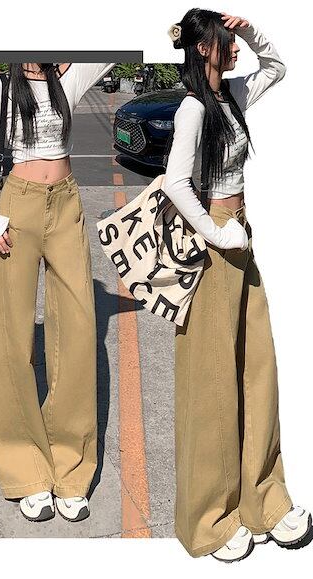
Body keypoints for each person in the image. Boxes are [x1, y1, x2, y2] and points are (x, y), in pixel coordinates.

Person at [164, 9, 312, 562]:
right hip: (214, 246)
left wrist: (249, 29)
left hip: (240, 239)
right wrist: (216, 232)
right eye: (226, 41)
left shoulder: (232, 96)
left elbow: (278, 66)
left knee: (257, 370)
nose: (235, 48)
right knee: (211, 384)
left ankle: (263, 502)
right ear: (203, 48)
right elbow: (176, 183)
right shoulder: (191, 109)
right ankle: (210, 520)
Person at [0, 62, 115, 523]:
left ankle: (70, 468)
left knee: (79, 332)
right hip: (16, 209)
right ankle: (26, 470)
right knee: (12, 338)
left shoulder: (67, 78)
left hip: (66, 204)